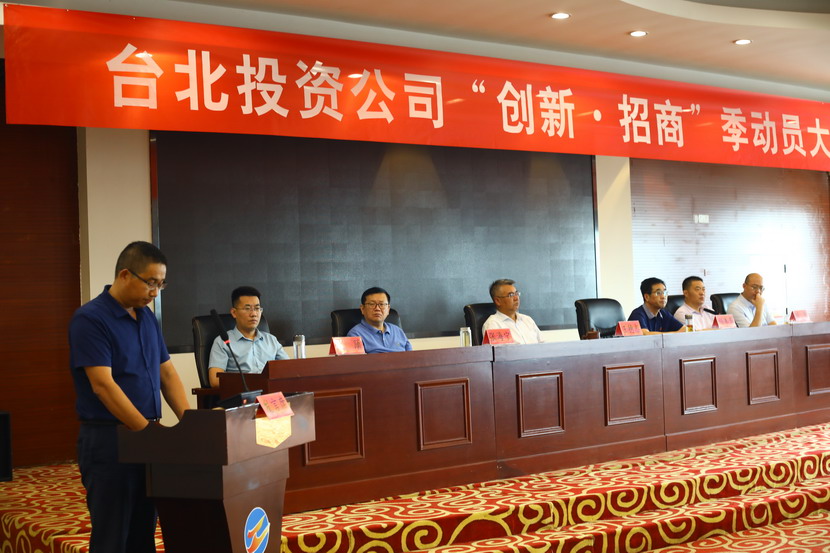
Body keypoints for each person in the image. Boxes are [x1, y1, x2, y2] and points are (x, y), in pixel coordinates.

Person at [68, 241, 190, 553]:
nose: (156, 292)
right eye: (151, 282)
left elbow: (167, 374)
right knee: (112, 536)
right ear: (125, 275)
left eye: (161, 284)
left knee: (142, 534)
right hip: (110, 440)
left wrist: (190, 423)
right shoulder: (90, 319)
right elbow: (103, 385)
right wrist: (148, 434)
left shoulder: (147, 317)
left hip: (145, 437)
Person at [207, 286, 289, 387]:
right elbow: (215, 381)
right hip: (243, 394)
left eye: (257, 308)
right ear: (234, 313)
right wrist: (253, 383)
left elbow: (289, 370)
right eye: (247, 308)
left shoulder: (271, 340)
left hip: (271, 393)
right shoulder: (223, 342)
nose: (254, 314)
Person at [347, 287, 412, 353]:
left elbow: (411, 356)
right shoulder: (355, 335)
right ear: (362, 309)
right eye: (372, 304)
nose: (377, 309)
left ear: (388, 309)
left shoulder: (398, 331)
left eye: (382, 304)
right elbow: (356, 359)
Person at [481, 279, 544, 344]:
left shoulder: (527, 320)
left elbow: (542, 345)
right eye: (511, 295)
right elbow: (499, 350)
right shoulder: (493, 324)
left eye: (516, 293)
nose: (516, 298)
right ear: (498, 301)